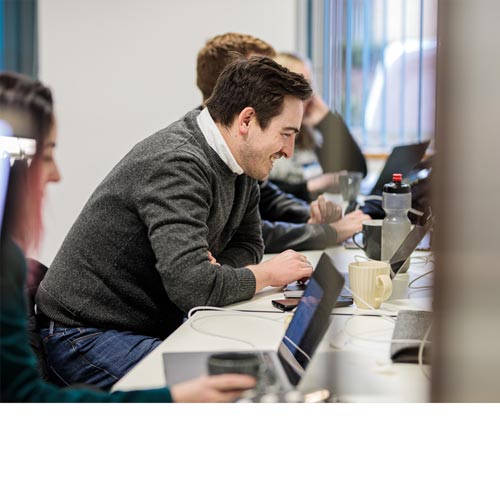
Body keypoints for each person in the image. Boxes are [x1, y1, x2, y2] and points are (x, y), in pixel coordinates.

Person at [35, 56, 314, 391]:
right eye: (286, 134)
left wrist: (213, 274)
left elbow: (250, 245)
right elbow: (194, 288)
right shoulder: (177, 163)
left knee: (249, 370)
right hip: (83, 334)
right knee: (229, 390)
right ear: (247, 120)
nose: (289, 150)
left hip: (146, 324)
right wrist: (265, 274)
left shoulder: (242, 163)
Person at [0, 71, 256, 402]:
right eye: (46, 155)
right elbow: (27, 404)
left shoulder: (8, 259)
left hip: (130, 326)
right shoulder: (178, 160)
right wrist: (173, 399)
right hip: (86, 332)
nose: (56, 174)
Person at [196, 32, 370, 253]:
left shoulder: (244, 141)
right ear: (231, 83)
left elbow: (267, 198)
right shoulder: (192, 157)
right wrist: (327, 232)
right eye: (261, 76)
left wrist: (310, 215)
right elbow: (244, 236)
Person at [269, 52, 368, 201]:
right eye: (301, 86)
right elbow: (264, 195)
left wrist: (327, 120)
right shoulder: (267, 133)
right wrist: (311, 186)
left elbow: (356, 171)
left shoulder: (309, 132)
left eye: (309, 86)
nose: (309, 95)